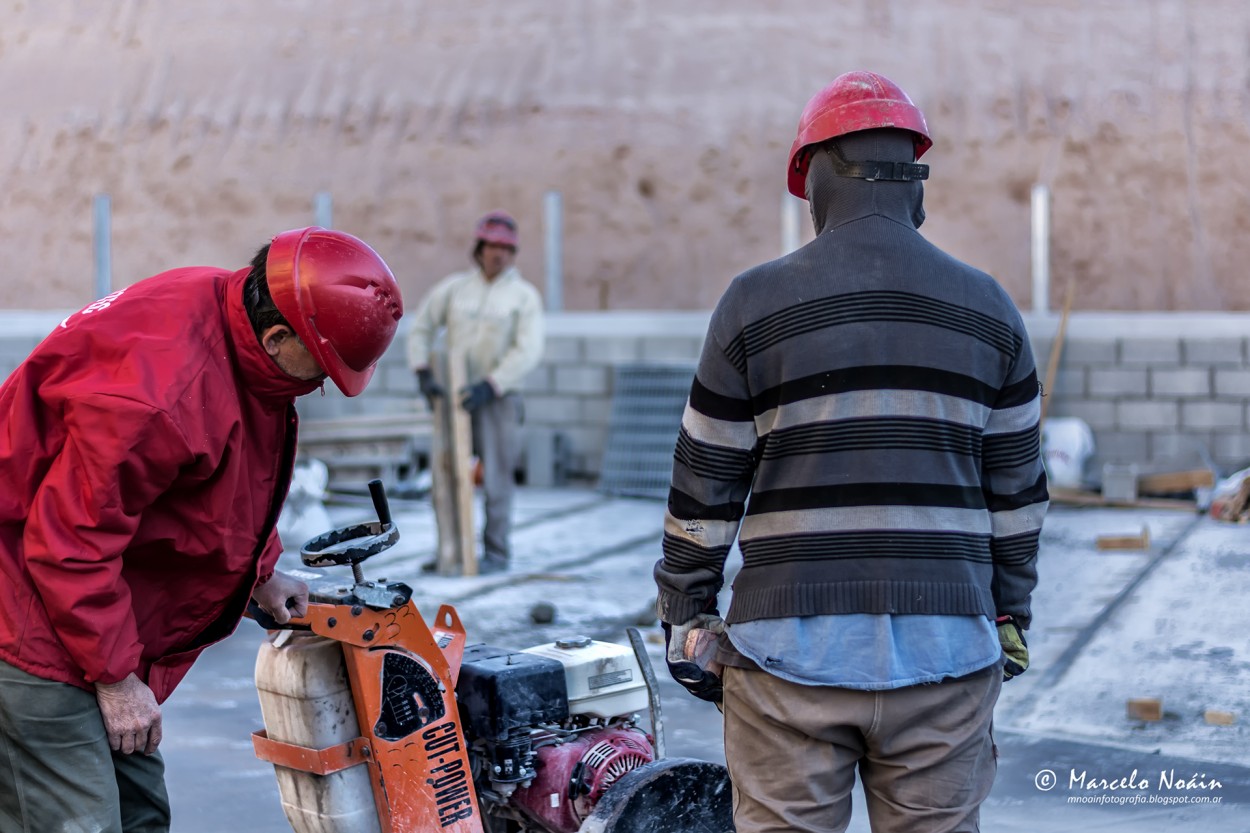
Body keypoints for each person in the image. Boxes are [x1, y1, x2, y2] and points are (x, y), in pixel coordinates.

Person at [654, 70, 1047, 833]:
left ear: (817, 182)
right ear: (914, 184)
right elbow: (1019, 495)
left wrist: (687, 611)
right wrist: (1008, 611)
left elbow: (703, 481)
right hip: (948, 657)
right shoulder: (991, 310)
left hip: (784, 660)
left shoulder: (752, 303)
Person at [0, 227, 403, 833]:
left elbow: (223, 477)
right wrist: (113, 679)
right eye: (321, 367)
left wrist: (260, 573)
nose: (319, 385)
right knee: (79, 821)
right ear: (276, 334)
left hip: (87, 613)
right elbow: (68, 546)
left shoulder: (228, 326)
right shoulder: (160, 398)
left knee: (141, 815)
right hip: (28, 612)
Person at [407, 210, 545, 574]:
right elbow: (421, 327)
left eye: (505, 248)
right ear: (479, 248)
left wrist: (492, 384)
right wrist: (422, 371)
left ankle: (495, 554)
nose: (498, 254)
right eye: (492, 246)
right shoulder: (455, 290)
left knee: (497, 479)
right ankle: (449, 551)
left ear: (512, 253)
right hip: (454, 397)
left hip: (498, 398)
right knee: (448, 475)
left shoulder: (523, 296)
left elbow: (528, 349)